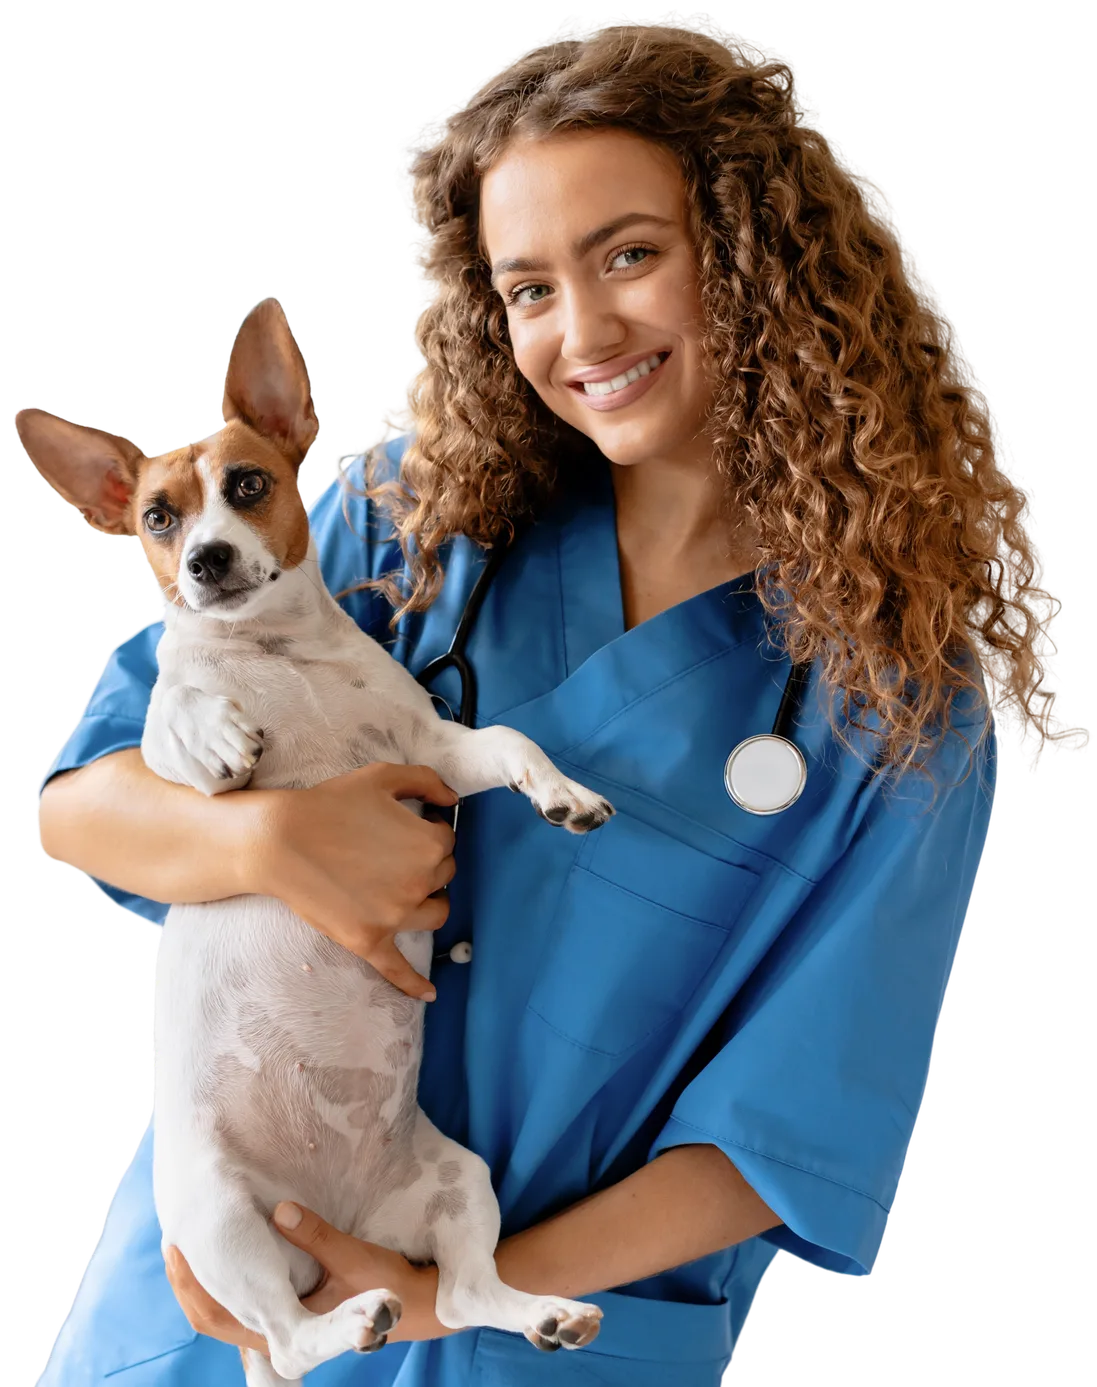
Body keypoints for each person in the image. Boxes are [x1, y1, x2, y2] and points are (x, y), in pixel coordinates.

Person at [33, 14, 1087, 1387]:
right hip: (207, 1310)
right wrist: (266, 845)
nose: (582, 330)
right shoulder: (399, 524)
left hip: (531, 1343)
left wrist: (435, 1298)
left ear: (756, 258)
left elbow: (780, 1134)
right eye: (528, 287)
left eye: (631, 254)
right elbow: (83, 798)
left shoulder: (900, 697)